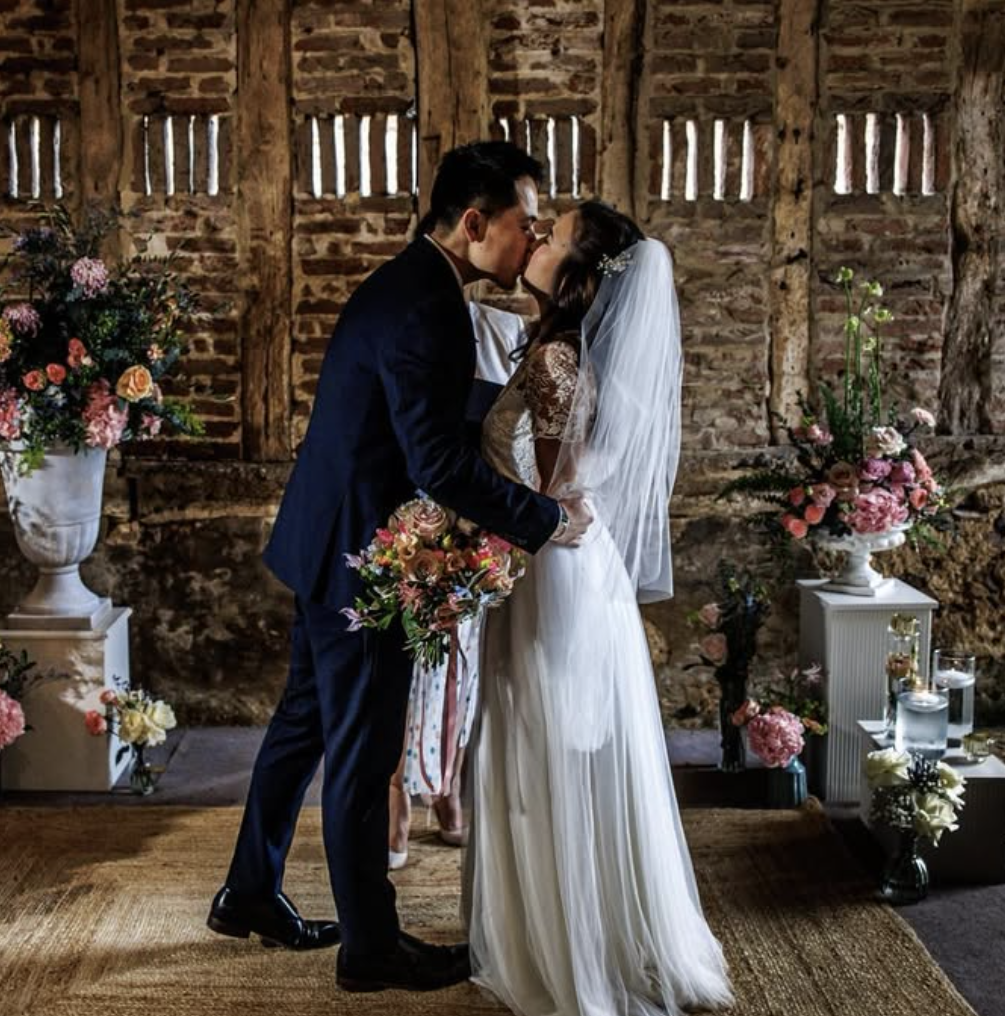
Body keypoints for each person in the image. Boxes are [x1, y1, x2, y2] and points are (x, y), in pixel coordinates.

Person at [207, 142, 593, 994]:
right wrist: (544, 518)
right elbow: (439, 465)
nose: (531, 242)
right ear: (473, 222)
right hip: (359, 562)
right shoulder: (428, 308)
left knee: (305, 725)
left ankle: (248, 892)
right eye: (525, 225)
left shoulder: (408, 286)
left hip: (324, 536)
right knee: (360, 746)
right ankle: (370, 949)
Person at [465, 202, 735, 1015]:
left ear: (581, 275)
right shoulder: (573, 350)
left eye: (553, 236)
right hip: (589, 570)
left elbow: (554, 490)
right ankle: (607, 938)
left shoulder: (554, 359)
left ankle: (570, 959)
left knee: (548, 754)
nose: (536, 237)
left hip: (554, 572)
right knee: (577, 756)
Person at [388, 299, 525, 869]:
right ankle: (395, 787)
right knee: (407, 659)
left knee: (466, 659)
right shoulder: (404, 320)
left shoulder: (509, 329)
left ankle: (450, 786)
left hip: (477, 518)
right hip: (407, 518)